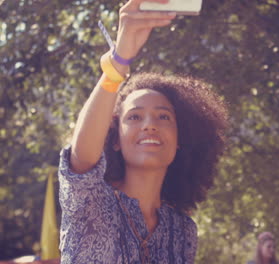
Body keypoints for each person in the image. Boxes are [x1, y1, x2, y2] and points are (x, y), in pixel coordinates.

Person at [58, 0, 229, 263]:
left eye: (163, 116)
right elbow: (82, 158)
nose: (150, 124)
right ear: (115, 138)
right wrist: (118, 62)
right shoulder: (91, 204)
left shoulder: (183, 232)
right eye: (134, 116)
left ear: (180, 139)